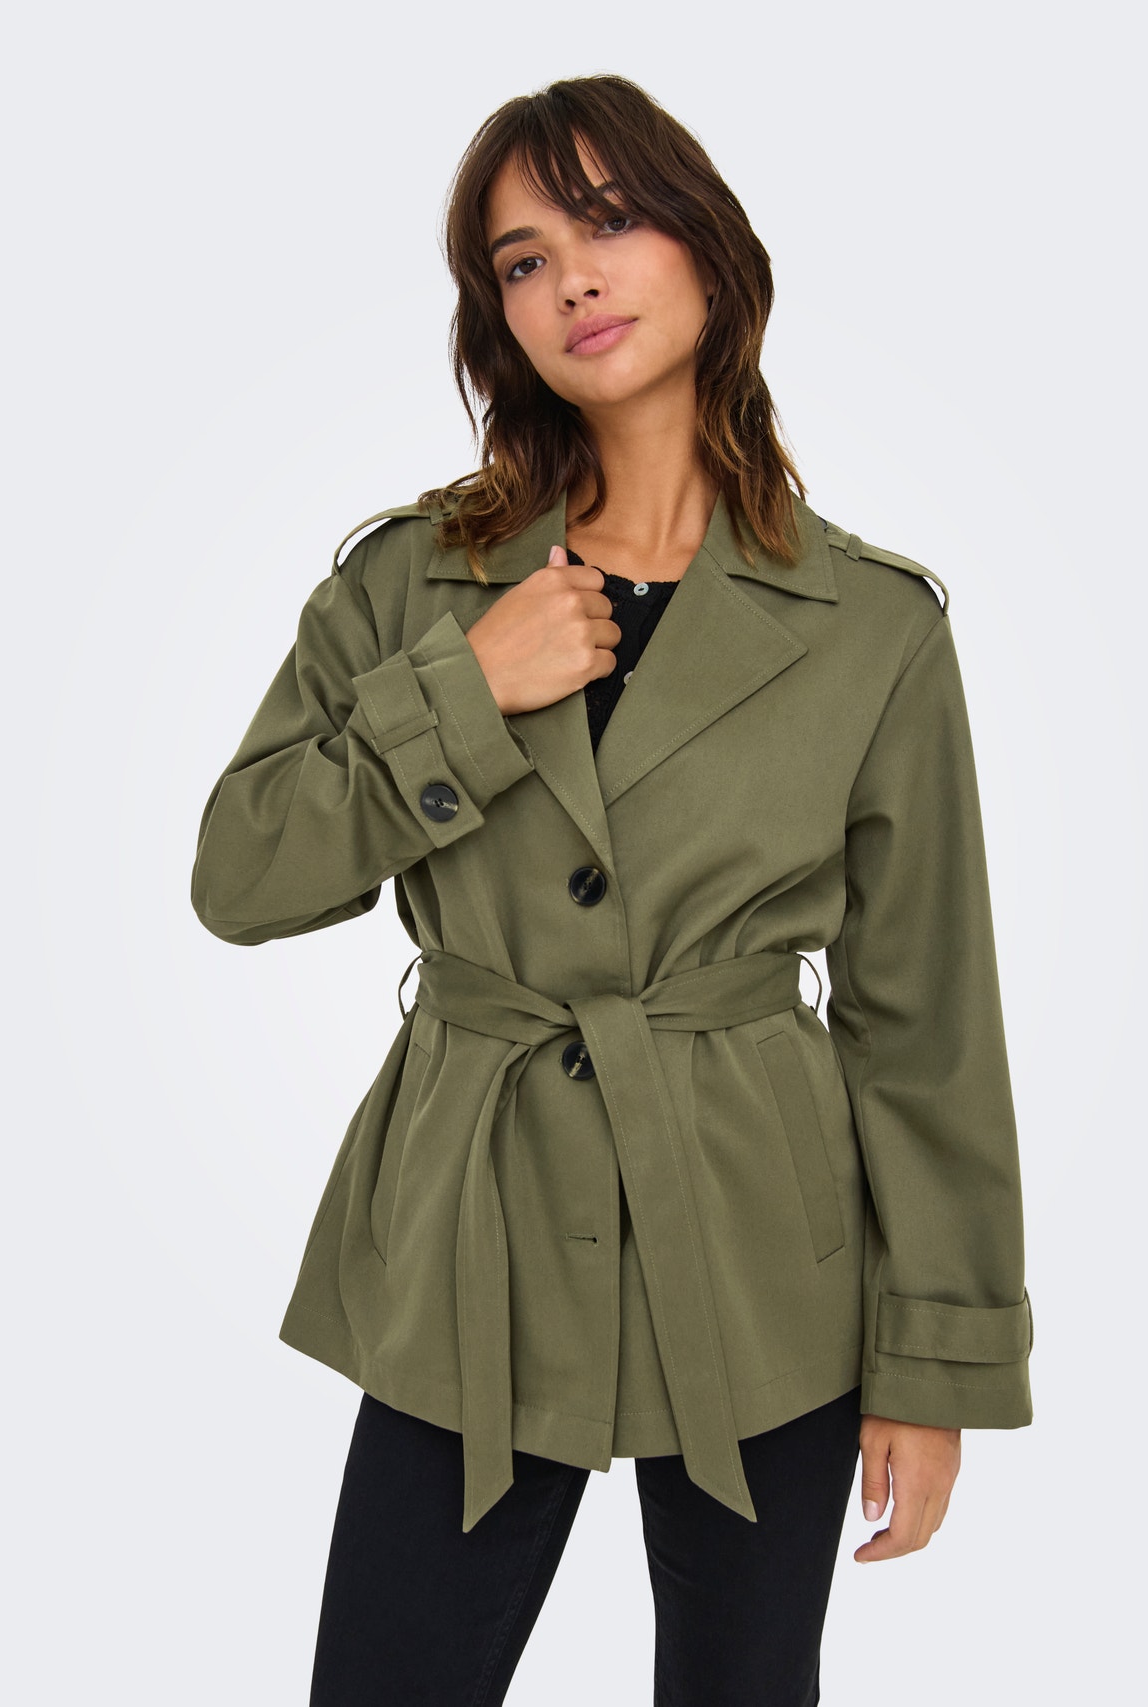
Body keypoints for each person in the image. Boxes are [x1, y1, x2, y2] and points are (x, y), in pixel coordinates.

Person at [191, 73, 1033, 1707]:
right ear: (497, 320)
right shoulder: (411, 585)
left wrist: (936, 1361)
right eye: (522, 260)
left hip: (765, 1251)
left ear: (709, 249)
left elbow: (925, 1020)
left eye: (610, 219)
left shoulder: (874, 629)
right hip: (473, 1233)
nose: (571, 277)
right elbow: (241, 876)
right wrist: (461, 692)